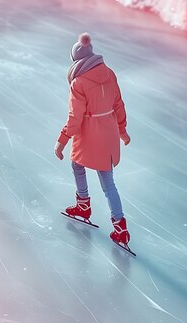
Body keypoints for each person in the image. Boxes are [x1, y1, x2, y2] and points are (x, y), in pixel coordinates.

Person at [54, 32, 132, 246]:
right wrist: (122, 131)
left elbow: (74, 117)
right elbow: (119, 104)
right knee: (107, 181)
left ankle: (85, 206)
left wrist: (61, 141)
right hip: (108, 132)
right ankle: (119, 226)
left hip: (89, 134)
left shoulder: (78, 82)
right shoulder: (109, 72)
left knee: (79, 166)